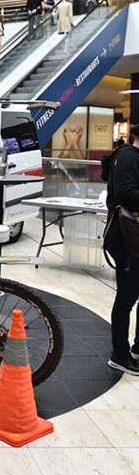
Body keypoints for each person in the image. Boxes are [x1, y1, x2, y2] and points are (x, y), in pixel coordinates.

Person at [103, 124, 139, 375]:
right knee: (126, 297)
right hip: (126, 238)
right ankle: (120, 354)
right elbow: (125, 193)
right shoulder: (127, 157)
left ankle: (137, 349)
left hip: (134, 237)